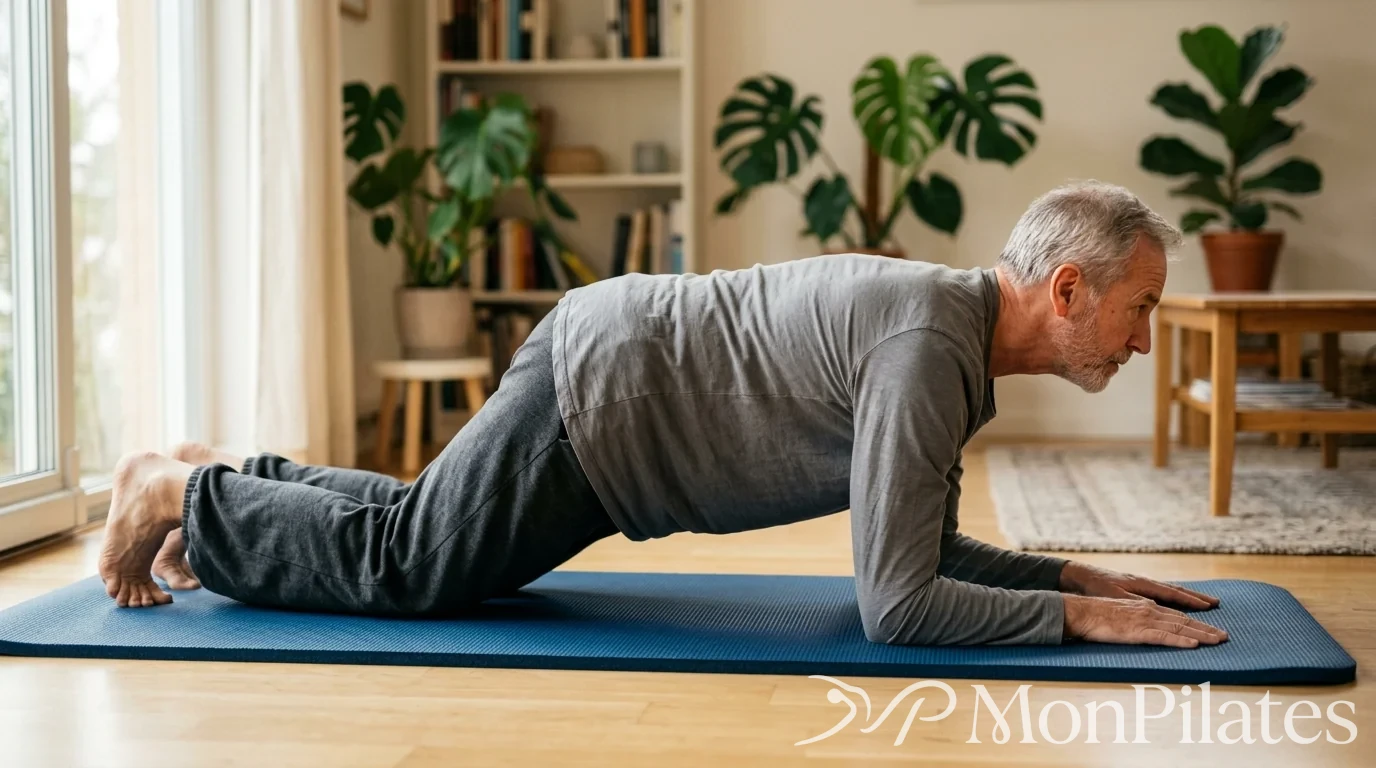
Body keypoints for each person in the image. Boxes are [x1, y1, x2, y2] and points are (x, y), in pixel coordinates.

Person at [99, 180, 1229, 649]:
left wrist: (1078, 579)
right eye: (1135, 311)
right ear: (1065, 291)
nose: (1140, 340)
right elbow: (895, 607)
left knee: (425, 527)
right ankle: (180, 495)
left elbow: (919, 555)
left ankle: (221, 480)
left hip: (615, 412)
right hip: (610, 400)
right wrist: (1074, 625)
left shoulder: (948, 343)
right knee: (415, 568)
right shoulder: (929, 344)